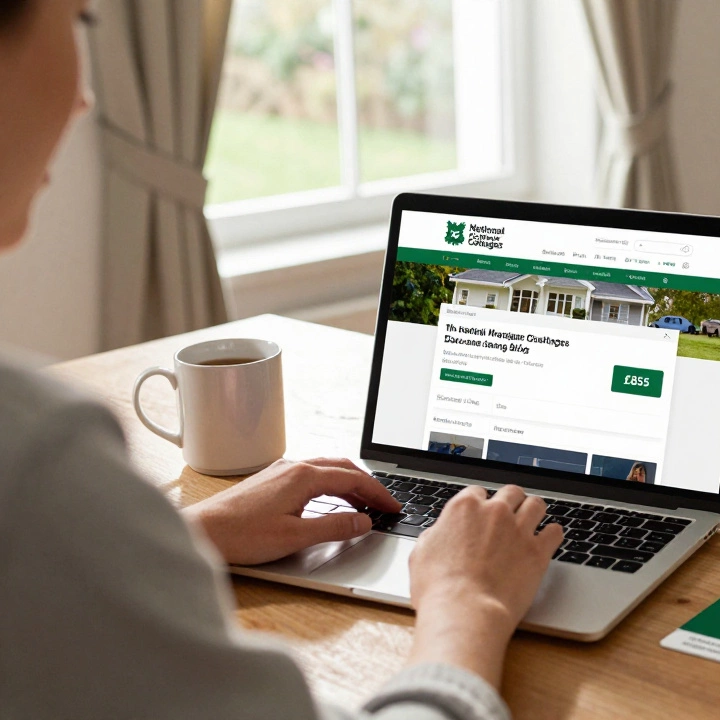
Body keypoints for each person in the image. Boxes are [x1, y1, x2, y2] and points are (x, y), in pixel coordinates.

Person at [0, 2, 563, 718]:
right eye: (80, 18)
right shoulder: (34, 462)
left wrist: (185, 536)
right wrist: (467, 602)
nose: (83, 99)